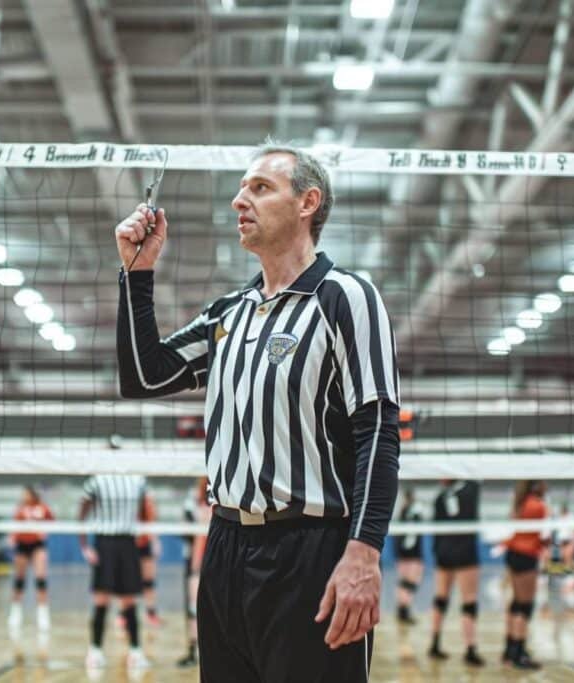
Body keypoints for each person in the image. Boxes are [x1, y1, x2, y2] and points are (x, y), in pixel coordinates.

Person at [114, 141, 401, 682]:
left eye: (260, 187)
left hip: (312, 551)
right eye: (242, 188)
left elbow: (378, 433)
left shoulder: (346, 297)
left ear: (307, 202)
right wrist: (137, 274)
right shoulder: (230, 314)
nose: (238, 200)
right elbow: (144, 376)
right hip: (224, 547)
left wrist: (364, 552)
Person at [79, 474, 151, 672]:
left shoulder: (137, 480)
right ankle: (95, 651)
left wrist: (147, 535)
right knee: (101, 599)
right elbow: (83, 505)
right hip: (105, 541)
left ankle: (135, 652)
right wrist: (84, 544)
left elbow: (147, 508)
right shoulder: (97, 480)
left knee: (129, 601)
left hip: (128, 541)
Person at [428, 479, 484, 666]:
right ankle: (470, 649)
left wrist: (437, 553)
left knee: (440, 599)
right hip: (465, 551)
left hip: (443, 551)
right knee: (469, 601)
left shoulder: (439, 497)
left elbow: (436, 530)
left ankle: (434, 645)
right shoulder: (471, 488)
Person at [502, 480, 548, 670]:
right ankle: (518, 655)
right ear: (537, 485)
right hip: (527, 555)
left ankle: (510, 649)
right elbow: (544, 536)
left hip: (513, 553)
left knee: (516, 603)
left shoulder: (519, 502)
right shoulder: (538, 506)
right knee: (524, 605)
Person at [8, 485, 54, 632]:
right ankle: (15, 612)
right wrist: (12, 537)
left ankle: (43, 613)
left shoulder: (42, 507)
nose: (24, 496)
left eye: (26, 494)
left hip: (37, 545)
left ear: (32, 494)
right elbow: (15, 526)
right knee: (19, 579)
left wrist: (45, 531)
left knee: (40, 578)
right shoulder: (20, 508)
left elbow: (53, 522)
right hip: (22, 545)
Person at [177, 477, 211, 668]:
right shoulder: (195, 502)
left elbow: (199, 540)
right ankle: (194, 650)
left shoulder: (208, 506)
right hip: (204, 562)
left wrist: (195, 568)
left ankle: (196, 651)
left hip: (206, 563)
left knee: (195, 609)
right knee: (194, 609)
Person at [393, 488, 426, 625]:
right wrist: (408, 549)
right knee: (409, 582)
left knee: (405, 582)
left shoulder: (404, 510)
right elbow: (411, 535)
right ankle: (403, 611)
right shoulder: (413, 511)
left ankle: (402, 611)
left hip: (404, 552)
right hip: (411, 553)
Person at [135, 486, 161, 628]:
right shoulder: (130, 495)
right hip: (130, 543)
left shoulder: (147, 496)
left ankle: (150, 614)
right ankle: (123, 615)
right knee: (128, 582)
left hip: (145, 543)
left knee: (149, 581)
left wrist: (155, 541)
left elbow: (152, 520)